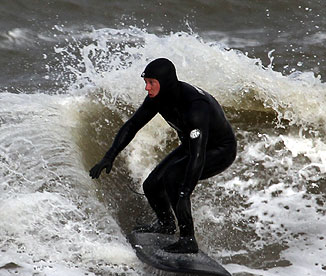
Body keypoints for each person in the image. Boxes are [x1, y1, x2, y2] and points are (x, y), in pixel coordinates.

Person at [89, 58, 237, 253]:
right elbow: (133, 125)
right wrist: (109, 156)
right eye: (146, 82)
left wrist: (185, 192)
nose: (147, 88)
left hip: (220, 150)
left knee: (174, 179)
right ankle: (166, 225)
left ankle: (188, 239)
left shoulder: (195, 106)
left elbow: (198, 155)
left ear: (165, 82)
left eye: (151, 83)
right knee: (151, 185)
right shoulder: (158, 97)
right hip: (191, 146)